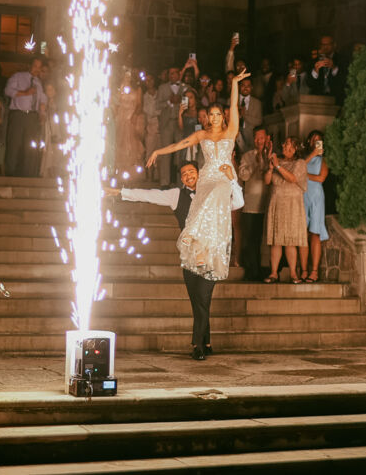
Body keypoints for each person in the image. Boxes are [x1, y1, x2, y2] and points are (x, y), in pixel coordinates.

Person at [110, 160, 241, 360]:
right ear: (181, 179)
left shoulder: (213, 193)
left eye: (191, 171)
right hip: (189, 256)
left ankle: (197, 345)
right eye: (184, 174)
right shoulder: (176, 195)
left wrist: (232, 180)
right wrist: (121, 192)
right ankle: (206, 342)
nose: (188, 176)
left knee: (202, 297)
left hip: (211, 255)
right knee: (197, 300)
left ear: (199, 174)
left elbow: (238, 203)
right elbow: (149, 195)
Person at [146, 70, 249, 285]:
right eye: (211, 115)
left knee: (218, 198)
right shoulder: (202, 134)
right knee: (203, 211)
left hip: (223, 177)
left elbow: (234, 107)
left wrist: (235, 83)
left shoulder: (231, 131)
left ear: (223, 116)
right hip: (207, 175)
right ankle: (200, 253)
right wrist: (157, 151)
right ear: (207, 117)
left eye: (218, 114)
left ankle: (196, 239)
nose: (214, 118)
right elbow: (179, 145)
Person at [264, 135, 308, 282]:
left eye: (289, 144)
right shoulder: (276, 161)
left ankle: (293, 273)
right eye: (284, 144)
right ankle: (274, 273)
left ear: (295, 149)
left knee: (290, 240)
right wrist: (270, 169)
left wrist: (277, 166)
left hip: (292, 205)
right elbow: (267, 181)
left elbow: (293, 178)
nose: (285, 146)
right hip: (277, 202)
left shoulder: (300, 163)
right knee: (276, 240)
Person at [236, 127, 272, 281]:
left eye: (262, 138)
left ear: (267, 138)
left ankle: (267, 269)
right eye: (256, 138)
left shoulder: (273, 155)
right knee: (251, 238)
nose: (259, 141)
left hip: (268, 203)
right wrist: (254, 164)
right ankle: (252, 270)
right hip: (251, 204)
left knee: (264, 239)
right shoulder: (247, 156)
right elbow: (243, 176)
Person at [4, 57, 45, 176]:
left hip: (32, 116)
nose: (37, 69)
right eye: (35, 66)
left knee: (29, 146)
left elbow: (42, 99)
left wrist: (42, 113)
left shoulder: (38, 82)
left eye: (39, 67)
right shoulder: (18, 76)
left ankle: (28, 174)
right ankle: (10, 173)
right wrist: (25, 93)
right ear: (30, 65)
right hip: (18, 114)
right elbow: (8, 91)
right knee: (14, 144)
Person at [301, 130, 330, 283]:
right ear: (309, 141)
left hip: (316, 196)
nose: (315, 142)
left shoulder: (324, 159)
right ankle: (303, 270)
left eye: (318, 140)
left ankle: (314, 271)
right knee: (302, 233)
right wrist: (312, 154)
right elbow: (298, 167)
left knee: (315, 232)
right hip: (303, 194)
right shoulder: (304, 157)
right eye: (313, 139)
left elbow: (321, 178)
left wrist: (304, 176)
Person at [113, 70, 147, 180]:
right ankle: (121, 172)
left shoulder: (138, 89)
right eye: (125, 75)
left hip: (132, 117)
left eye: (129, 76)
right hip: (122, 117)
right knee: (122, 144)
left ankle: (134, 173)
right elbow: (116, 103)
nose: (127, 77)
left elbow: (139, 104)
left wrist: (135, 115)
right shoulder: (121, 88)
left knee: (133, 145)